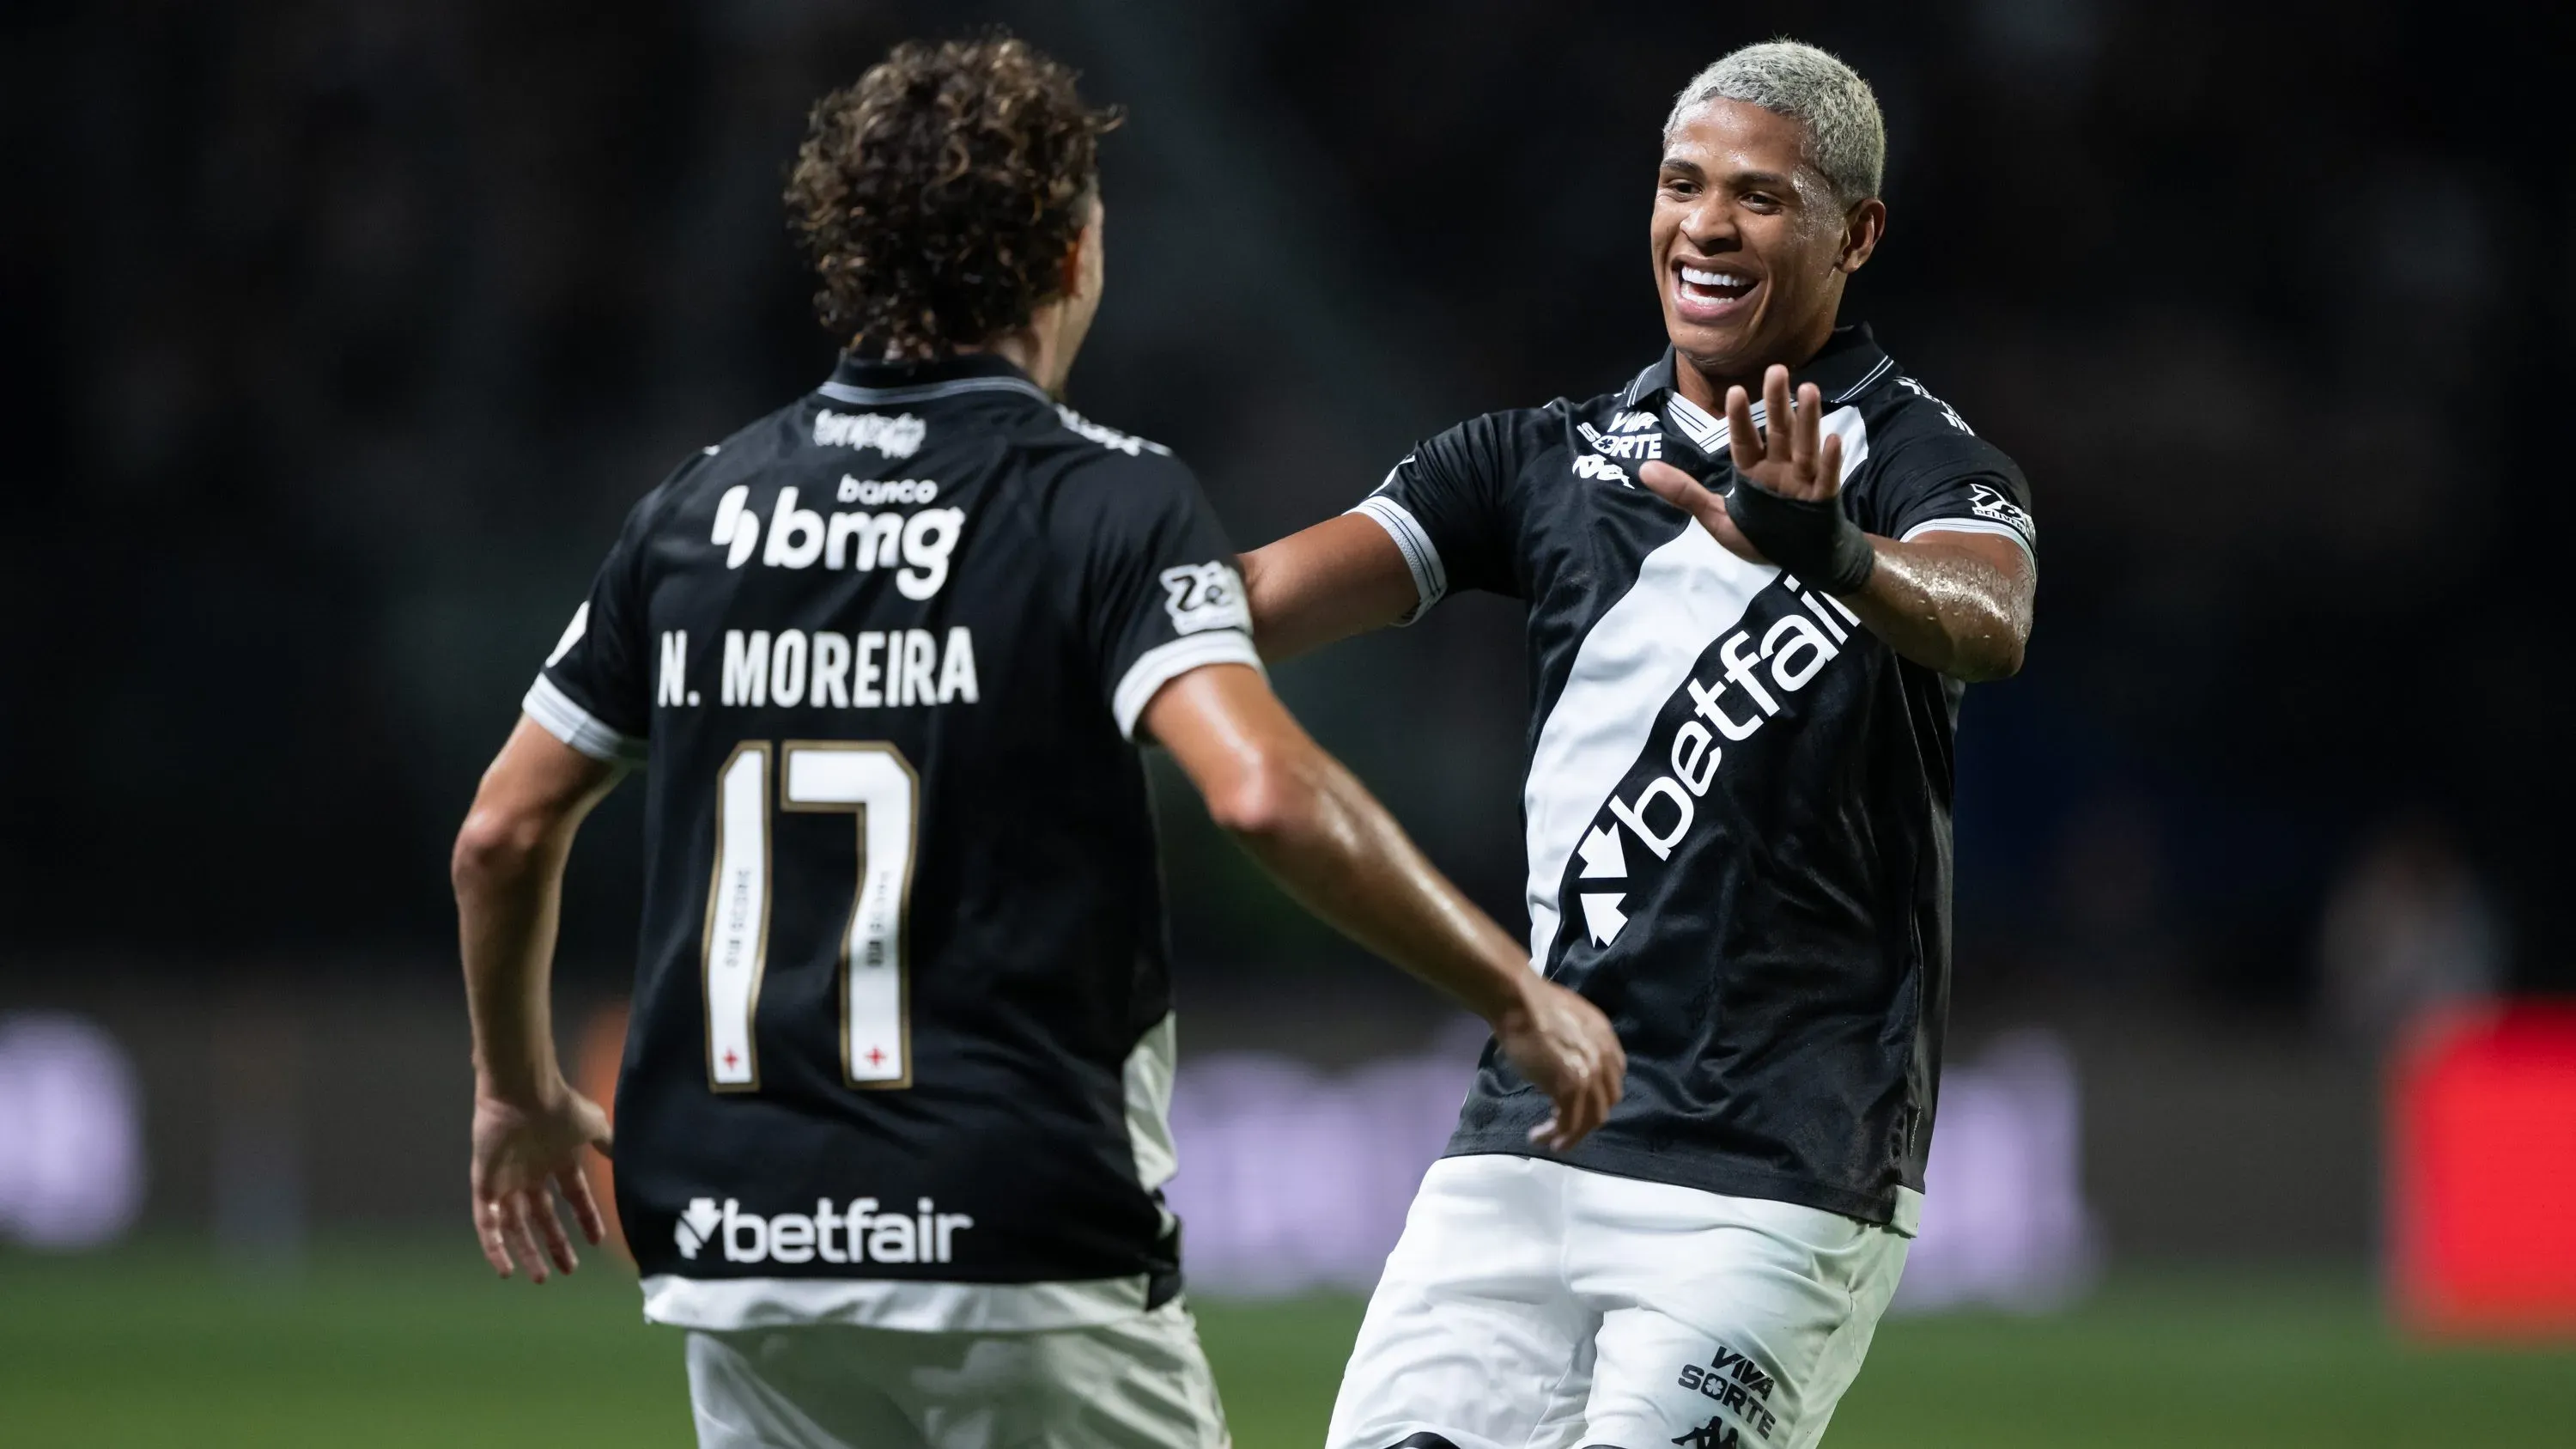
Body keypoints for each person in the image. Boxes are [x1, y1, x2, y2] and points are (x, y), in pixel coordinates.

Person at [447, 34, 1622, 1449]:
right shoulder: (1107, 504)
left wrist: (518, 1086)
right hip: (1016, 1239)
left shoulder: (697, 512)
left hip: (743, 1247)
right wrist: (1512, 989)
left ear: (855, 259)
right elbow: (1261, 794)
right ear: (1070, 257)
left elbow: (503, 831)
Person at [1242, 40, 2038, 1449]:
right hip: (1529, 1131)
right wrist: (1053, 604)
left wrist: (1837, 554)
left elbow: (1989, 615)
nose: (1708, 225)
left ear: (1856, 233)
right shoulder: (1535, 458)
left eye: (1760, 195)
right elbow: (1247, 603)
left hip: (1776, 1162)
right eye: (1682, 185)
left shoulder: (1915, 456)